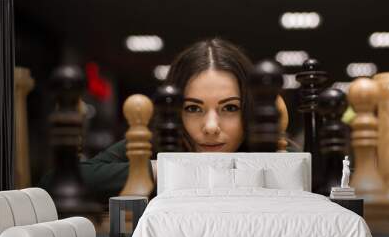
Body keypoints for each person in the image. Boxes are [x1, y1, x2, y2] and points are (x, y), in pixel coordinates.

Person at [39, 38, 284, 198]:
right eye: (193, 109)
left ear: (251, 109)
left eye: (230, 108)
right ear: (174, 110)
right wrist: (163, 169)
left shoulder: (275, 152)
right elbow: (53, 182)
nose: (211, 127)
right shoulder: (157, 141)